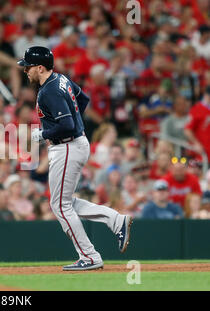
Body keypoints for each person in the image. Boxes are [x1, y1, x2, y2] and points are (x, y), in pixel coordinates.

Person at [19, 46, 132, 271]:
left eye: (28, 67)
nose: (26, 71)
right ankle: (115, 220)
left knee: (60, 206)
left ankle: (90, 256)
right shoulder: (60, 79)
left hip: (68, 146)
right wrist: (70, 125)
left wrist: (43, 134)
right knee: (64, 202)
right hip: (74, 143)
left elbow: (67, 124)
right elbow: (84, 99)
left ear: (40, 68)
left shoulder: (49, 90)